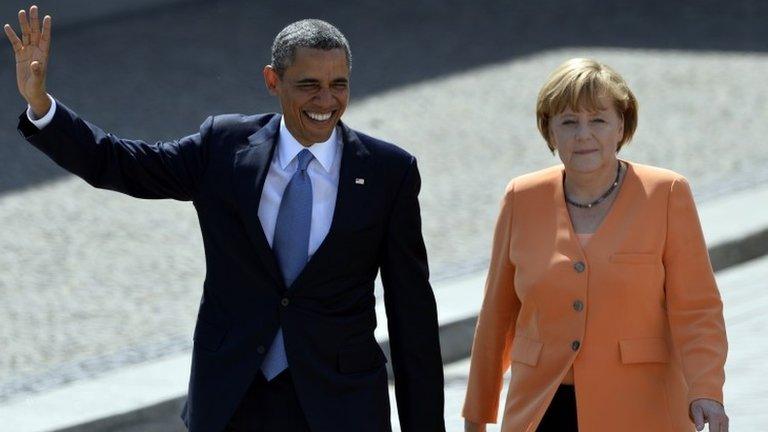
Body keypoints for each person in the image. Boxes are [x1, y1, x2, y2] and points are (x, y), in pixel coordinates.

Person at [4, 6, 445, 432]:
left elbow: (413, 318)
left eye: (338, 85)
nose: (325, 101)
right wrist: (42, 105)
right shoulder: (224, 147)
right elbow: (120, 163)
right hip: (233, 400)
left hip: (341, 405)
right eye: (309, 84)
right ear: (273, 80)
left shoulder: (388, 173)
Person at [461, 58, 729, 432]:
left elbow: (696, 308)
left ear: (621, 126)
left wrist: (706, 391)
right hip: (541, 409)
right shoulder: (522, 197)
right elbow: (496, 317)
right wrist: (477, 416)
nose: (583, 135)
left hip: (642, 408)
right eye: (568, 122)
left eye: (598, 120)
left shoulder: (667, 193)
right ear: (550, 131)